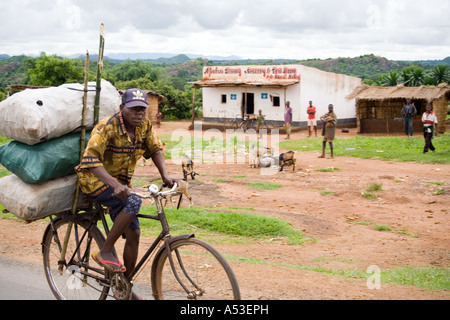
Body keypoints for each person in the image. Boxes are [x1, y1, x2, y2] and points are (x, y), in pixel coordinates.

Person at [75, 88, 175, 298]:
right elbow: (90, 160)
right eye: (133, 109)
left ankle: (123, 287)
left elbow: (155, 149)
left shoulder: (144, 126)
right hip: (95, 181)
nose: (138, 113)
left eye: (142, 109)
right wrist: (114, 185)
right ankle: (105, 250)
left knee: (135, 233)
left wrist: (165, 175)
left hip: (121, 185)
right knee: (133, 202)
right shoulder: (106, 127)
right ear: (122, 108)